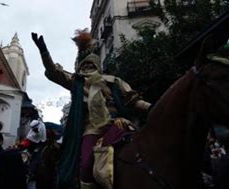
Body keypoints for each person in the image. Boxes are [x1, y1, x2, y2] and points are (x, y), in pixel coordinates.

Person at [32, 30, 151, 188]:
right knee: (87, 166)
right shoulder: (76, 81)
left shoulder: (114, 81)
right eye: (84, 64)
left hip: (118, 123)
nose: (87, 66)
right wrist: (44, 51)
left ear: (98, 66)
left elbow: (133, 100)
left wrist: (152, 107)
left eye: (91, 64)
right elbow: (54, 73)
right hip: (91, 128)